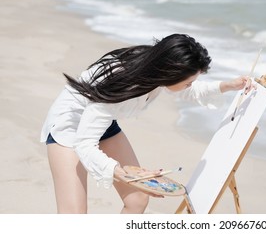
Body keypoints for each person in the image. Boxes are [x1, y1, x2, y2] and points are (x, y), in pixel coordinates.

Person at [40, 33, 252, 214]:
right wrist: (117, 171)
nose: (190, 85)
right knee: (73, 218)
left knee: (138, 199)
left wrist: (229, 85)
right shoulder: (121, 83)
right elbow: (85, 143)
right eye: (189, 81)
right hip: (68, 128)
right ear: (171, 72)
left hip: (102, 123)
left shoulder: (156, 68)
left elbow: (185, 88)